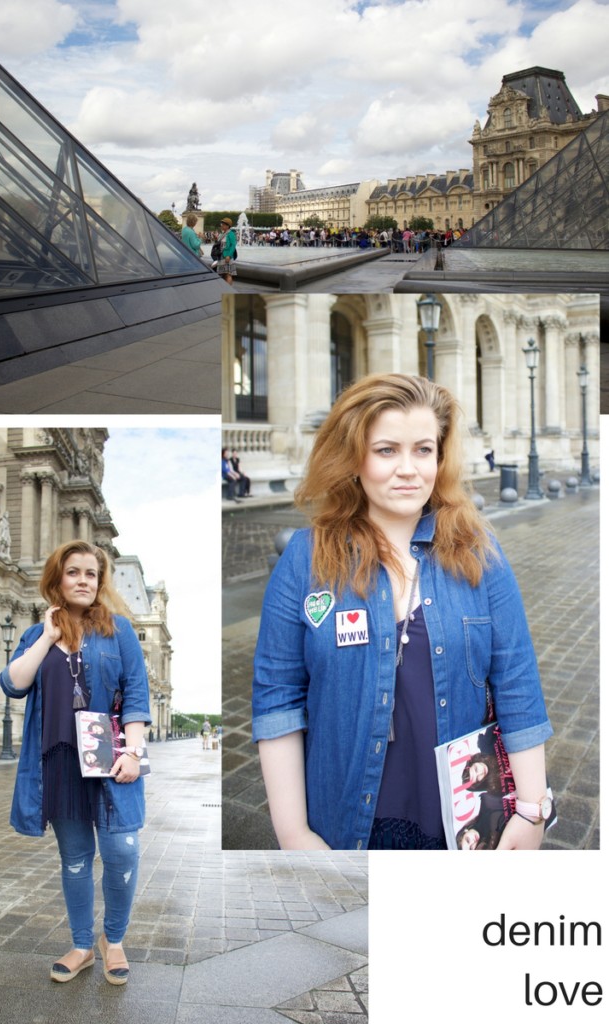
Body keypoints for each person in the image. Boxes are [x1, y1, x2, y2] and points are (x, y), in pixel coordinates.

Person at [252, 373, 553, 851]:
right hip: (345, 823)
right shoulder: (306, 558)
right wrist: (294, 835)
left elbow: (516, 679)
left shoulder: (479, 550)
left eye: (424, 450)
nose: (409, 469)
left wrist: (533, 809)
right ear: (353, 457)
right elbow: (278, 698)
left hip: (461, 825)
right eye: (387, 450)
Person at [0, 540, 151, 984]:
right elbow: (13, 683)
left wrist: (133, 753)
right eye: (74, 572)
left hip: (108, 753)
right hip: (60, 759)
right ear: (58, 579)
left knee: (122, 851)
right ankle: (83, 944)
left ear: (100, 582)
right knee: (76, 858)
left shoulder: (118, 630)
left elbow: (138, 693)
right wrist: (47, 636)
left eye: (92, 573)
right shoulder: (36, 632)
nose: (83, 580)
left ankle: (114, 939)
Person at [216, 217, 237, 284]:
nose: (221, 225)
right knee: (224, 274)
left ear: (228, 226)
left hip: (227, 256)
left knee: (228, 274)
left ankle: (229, 291)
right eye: (221, 223)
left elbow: (233, 245)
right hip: (221, 256)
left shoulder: (231, 234)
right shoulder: (222, 234)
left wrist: (229, 255)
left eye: (223, 224)